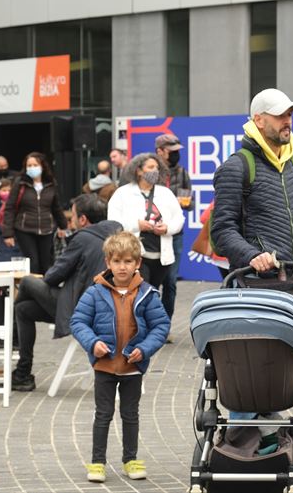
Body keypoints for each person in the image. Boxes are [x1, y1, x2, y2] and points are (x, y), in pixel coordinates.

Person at [211, 88, 293, 323]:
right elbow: (221, 231)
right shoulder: (236, 167)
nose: (287, 122)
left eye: (290, 115)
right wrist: (253, 256)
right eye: (280, 115)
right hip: (258, 285)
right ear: (258, 120)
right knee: (261, 357)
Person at [70, 231, 170, 483]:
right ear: (108, 262)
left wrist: (145, 349)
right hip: (104, 366)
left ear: (137, 263)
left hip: (132, 366)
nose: (122, 267)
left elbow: (161, 326)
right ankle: (97, 462)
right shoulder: (95, 292)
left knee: (130, 414)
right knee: (102, 414)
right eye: (117, 261)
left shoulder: (147, 294)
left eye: (127, 261)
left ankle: (130, 459)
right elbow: (78, 321)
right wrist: (93, 343)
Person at [11, 194, 122, 391]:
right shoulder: (118, 235)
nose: (69, 222)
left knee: (27, 282)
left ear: (83, 220)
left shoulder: (83, 238)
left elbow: (53, 276)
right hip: (107, 309)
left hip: (82, 310)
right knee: (23, 308)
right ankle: (22, 373)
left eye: (72, 217)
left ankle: (12, 340)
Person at [108, 154, 184, 303]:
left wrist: (167, 228)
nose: (155, 170)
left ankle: (163, 323)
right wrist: (138, 225)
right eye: (150, 167)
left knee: (162, 289)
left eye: (157, 167)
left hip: (162, 255)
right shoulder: (122, 193)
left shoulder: (166, 193)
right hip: (137, 254)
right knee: (142, 294)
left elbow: (179, 218)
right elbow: (113, 222)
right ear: (139, 171)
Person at [2, 152, 67, 274]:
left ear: (42, 166)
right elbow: (9, 207)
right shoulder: (20, 183)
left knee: (46, 263)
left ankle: (45, 291)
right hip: (25, 229)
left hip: (46, 229)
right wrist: (8, 234)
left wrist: (63, 225)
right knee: (33, 263)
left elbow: (56, 207)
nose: (32, 168)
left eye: (35, 165)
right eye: (29, 165)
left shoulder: (51, 183)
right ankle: (32, 290)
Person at [154, 133, 193, 321]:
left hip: (174, 233)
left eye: (178, 151)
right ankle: (149, 322)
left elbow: (190, 204)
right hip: (152, 234)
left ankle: (164, 324)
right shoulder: (150, 172)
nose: (176, 155)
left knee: (170, 282)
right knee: (151, 282)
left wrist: (182, 202)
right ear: (160, 152)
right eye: (172, 151)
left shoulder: (182, 172)